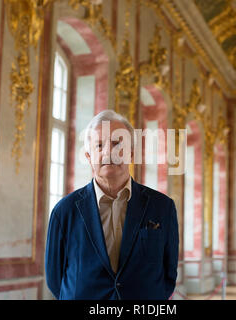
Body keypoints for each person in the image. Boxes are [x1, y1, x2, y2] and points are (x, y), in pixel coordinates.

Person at [45, 110, 179, 300]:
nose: (108, 152)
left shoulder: (162, 207)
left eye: (117, 143)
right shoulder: (64, 211)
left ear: (132, 154)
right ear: (89, 157)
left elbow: (168, 275)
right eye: (99, 145)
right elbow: (54, 279)